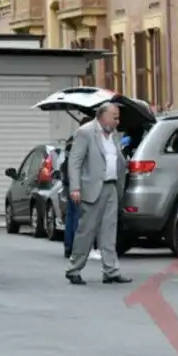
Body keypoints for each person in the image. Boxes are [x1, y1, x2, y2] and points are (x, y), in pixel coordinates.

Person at [64, 103, 131, 285]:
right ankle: (74, 269)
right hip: (92, 188)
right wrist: (75, 188)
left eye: (118, 118)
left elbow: (115, 159)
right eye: (114, 117)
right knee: (86, 231)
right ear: (102, 116)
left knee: (109, 231)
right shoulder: (85, 132)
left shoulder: (114, 135)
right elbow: (75, 161)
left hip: (111, 186)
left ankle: (111, 270)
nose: (117, 121)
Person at [61, 117, 93, 259]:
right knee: (78, 216)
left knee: (71, 215)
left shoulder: (70, 140)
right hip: (78, 181)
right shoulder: (83, 140)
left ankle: (69, 247)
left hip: (69, 182)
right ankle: (76, 248)